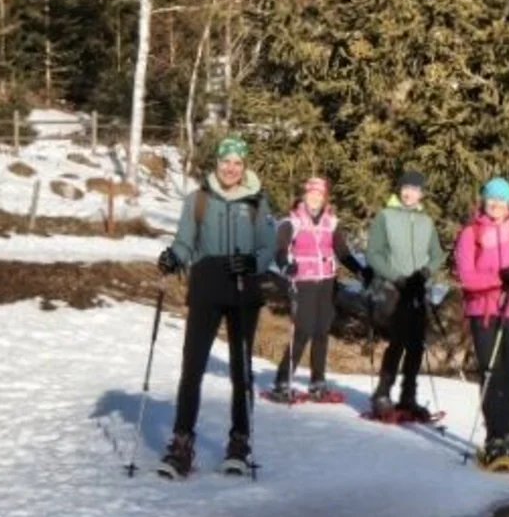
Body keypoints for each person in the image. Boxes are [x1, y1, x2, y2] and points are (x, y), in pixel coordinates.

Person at [153, 135, 275, 479]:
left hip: (242, 289)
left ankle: (239, 441)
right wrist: (173, 258)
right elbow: (185, 243)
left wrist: (252, 263)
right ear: (217, 163)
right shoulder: (198, 200)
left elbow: (269, 248)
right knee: (192, 367)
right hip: (206, 285)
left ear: (244, 165)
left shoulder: (258, 201)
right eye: (226, 162)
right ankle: (181, 444)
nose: (231, 168)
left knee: (240, 369)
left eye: (237, 163)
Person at [454, 177, 509, 465]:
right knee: (492, 373)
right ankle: (494, 437)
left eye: (502, 200)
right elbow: (467, 278)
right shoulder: (470, 234)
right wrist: (499, 278)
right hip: (485, 313)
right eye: (492, 199)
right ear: (484, 200)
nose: (496, 205)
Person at [266, 175, 368, 404]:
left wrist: (361, 271)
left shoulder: (331, 222)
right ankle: (283, 381)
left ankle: (317, 382)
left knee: (322, 331)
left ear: (324, 198)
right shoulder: (291, 222)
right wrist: (285, 265)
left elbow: (342, 252)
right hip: (302, 280)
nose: (315, 197)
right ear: (305, 194)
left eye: (319, 194)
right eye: (311, 192)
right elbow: (280, 250)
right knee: (303, 330)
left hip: (327, 282)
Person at [365, 170, 450, 421]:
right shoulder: (385, 216)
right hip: (394, 288)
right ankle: (382, 394)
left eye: (414, 189)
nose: (408, 192)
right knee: (398, 342)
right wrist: (395, 277)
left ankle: (408, 397)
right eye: (405, 187)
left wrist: (425, 273)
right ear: (399, 189)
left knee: (416, 345)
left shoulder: (426, 221)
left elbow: (437, 254)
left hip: (417, 289)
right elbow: (374, 254)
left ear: (421, 193)